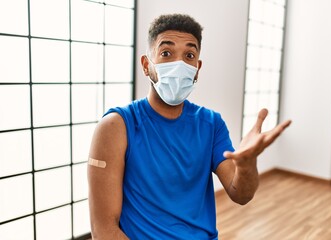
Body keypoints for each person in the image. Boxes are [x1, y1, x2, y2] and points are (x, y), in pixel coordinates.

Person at [88, 13, 291, 240]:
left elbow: (240, 195)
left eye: (189, 55)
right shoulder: (117, 126)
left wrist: (246, 164)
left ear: (197, 68)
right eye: (166, 53)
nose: (179, 64)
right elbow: (103, 229)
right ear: (147, 65)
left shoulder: (211, 124)